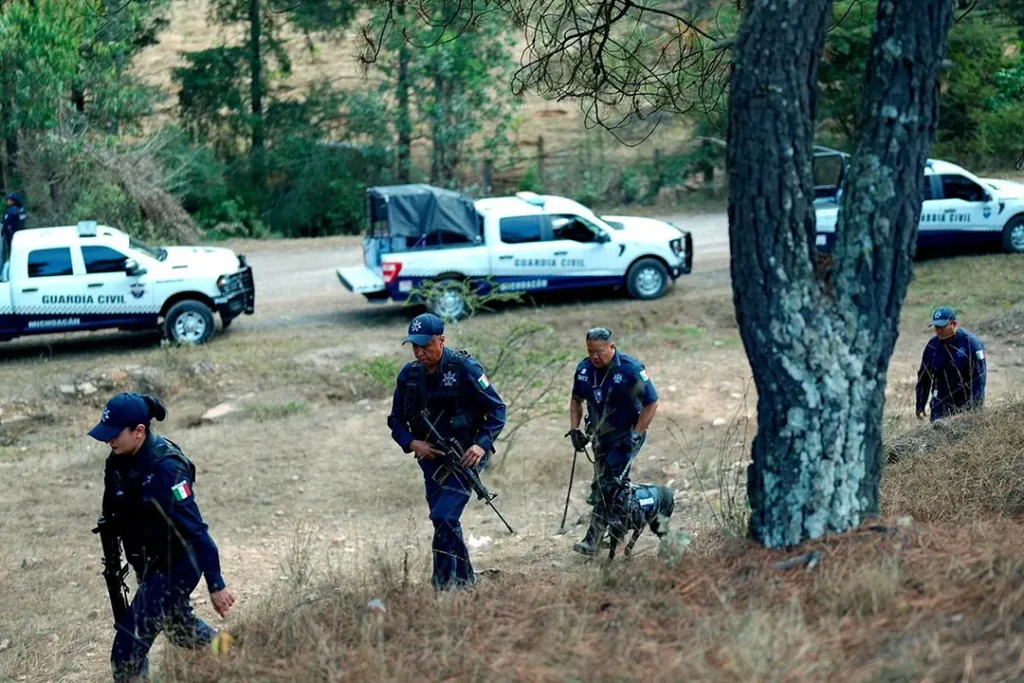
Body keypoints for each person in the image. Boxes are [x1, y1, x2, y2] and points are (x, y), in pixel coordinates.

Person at [90, 392, 236, 683]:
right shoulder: (120, 459)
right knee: (180, 629)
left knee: (126, 652)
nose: (108, 441)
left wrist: (216, 584)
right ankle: (233, 653)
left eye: (114, 434)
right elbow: (116, 512)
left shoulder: (167, 469)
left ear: (139, 431)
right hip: (149, 559)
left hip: (176, 564)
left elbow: (196, 531)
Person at [387, 313, 507, 590]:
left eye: (426, 346)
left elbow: (498, 409)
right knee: (444, 521)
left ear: (442, 340)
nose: (420, 352)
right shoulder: (409, 375)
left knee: (443, 517)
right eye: (415, 346)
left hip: (466, 457)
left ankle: (443, 586)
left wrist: (481, 445)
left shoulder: (465, 368)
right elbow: (395, 420)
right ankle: (465, 581)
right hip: (431, 460)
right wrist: (412, 443)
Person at [567, 327, 659, 556]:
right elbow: (576, 400)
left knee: (610, 484)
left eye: (599, 351)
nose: (594, 357)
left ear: (612, 347)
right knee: (604, 483)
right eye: (590, 351)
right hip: (600, 436)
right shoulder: (584, 370)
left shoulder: (630, 370)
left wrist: (637, 433)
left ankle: (594, 539)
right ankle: (623, 527)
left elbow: (652, 403)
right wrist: (574, 429)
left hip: (626, 434)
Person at [915, 306, 987, 422]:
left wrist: (975, 411)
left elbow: (979, 379)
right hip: (940, 402)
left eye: (942, 327)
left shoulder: (972, 344)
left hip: (965, 401)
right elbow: (924, 377)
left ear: (954, 324)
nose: (938, 331)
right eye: (936, 327)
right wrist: (920, 404)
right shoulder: (932, 346)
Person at [1, 191, 26, 266]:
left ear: (13, 201)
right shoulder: (21, 210)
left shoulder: (11, 211)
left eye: (9, 199)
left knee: (12, 252)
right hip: (20, 234)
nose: (7, 201)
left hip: (11, 235)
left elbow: (6, 223)